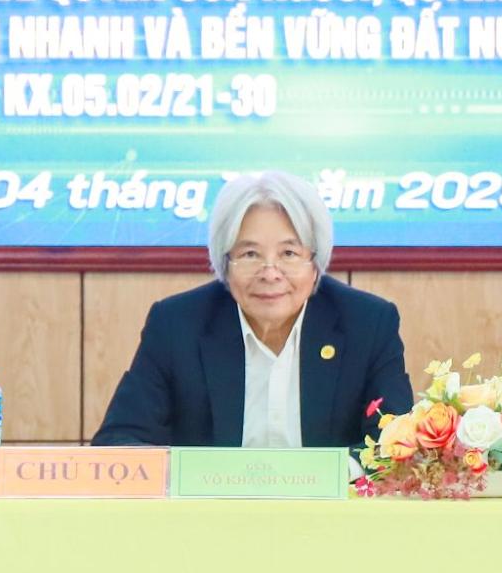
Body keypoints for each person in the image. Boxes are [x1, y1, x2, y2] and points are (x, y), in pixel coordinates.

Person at [93, 169, 413, 448]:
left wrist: (335, 478)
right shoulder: (176, 325)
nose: (270, 274)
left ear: (315, 264)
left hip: (334, 501)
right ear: (225, 263)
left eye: (288, 253)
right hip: (208, 501)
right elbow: (119, 440)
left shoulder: (368, 324)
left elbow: (394, 442)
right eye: (250, 254)